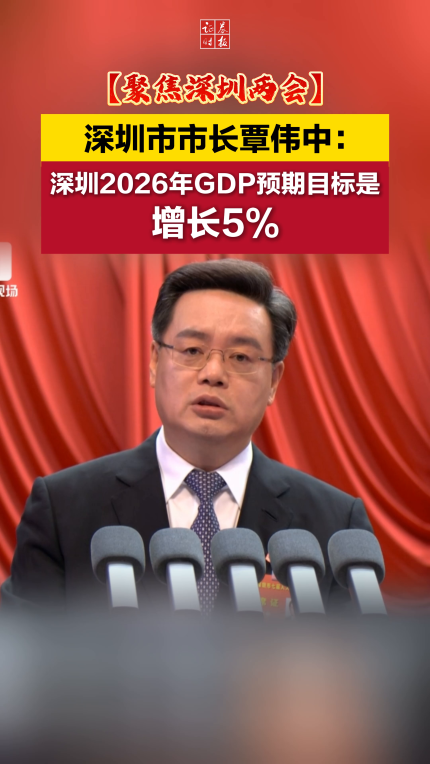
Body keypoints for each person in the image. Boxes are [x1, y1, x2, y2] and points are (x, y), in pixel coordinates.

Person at [1, 259, 373, 613]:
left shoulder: (334, 525)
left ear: (274, 381)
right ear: (154, 361)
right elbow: (27, 651)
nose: (213, 373)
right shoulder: (64, 510)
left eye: (241, 357)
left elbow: (358, 654)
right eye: (192, 350)